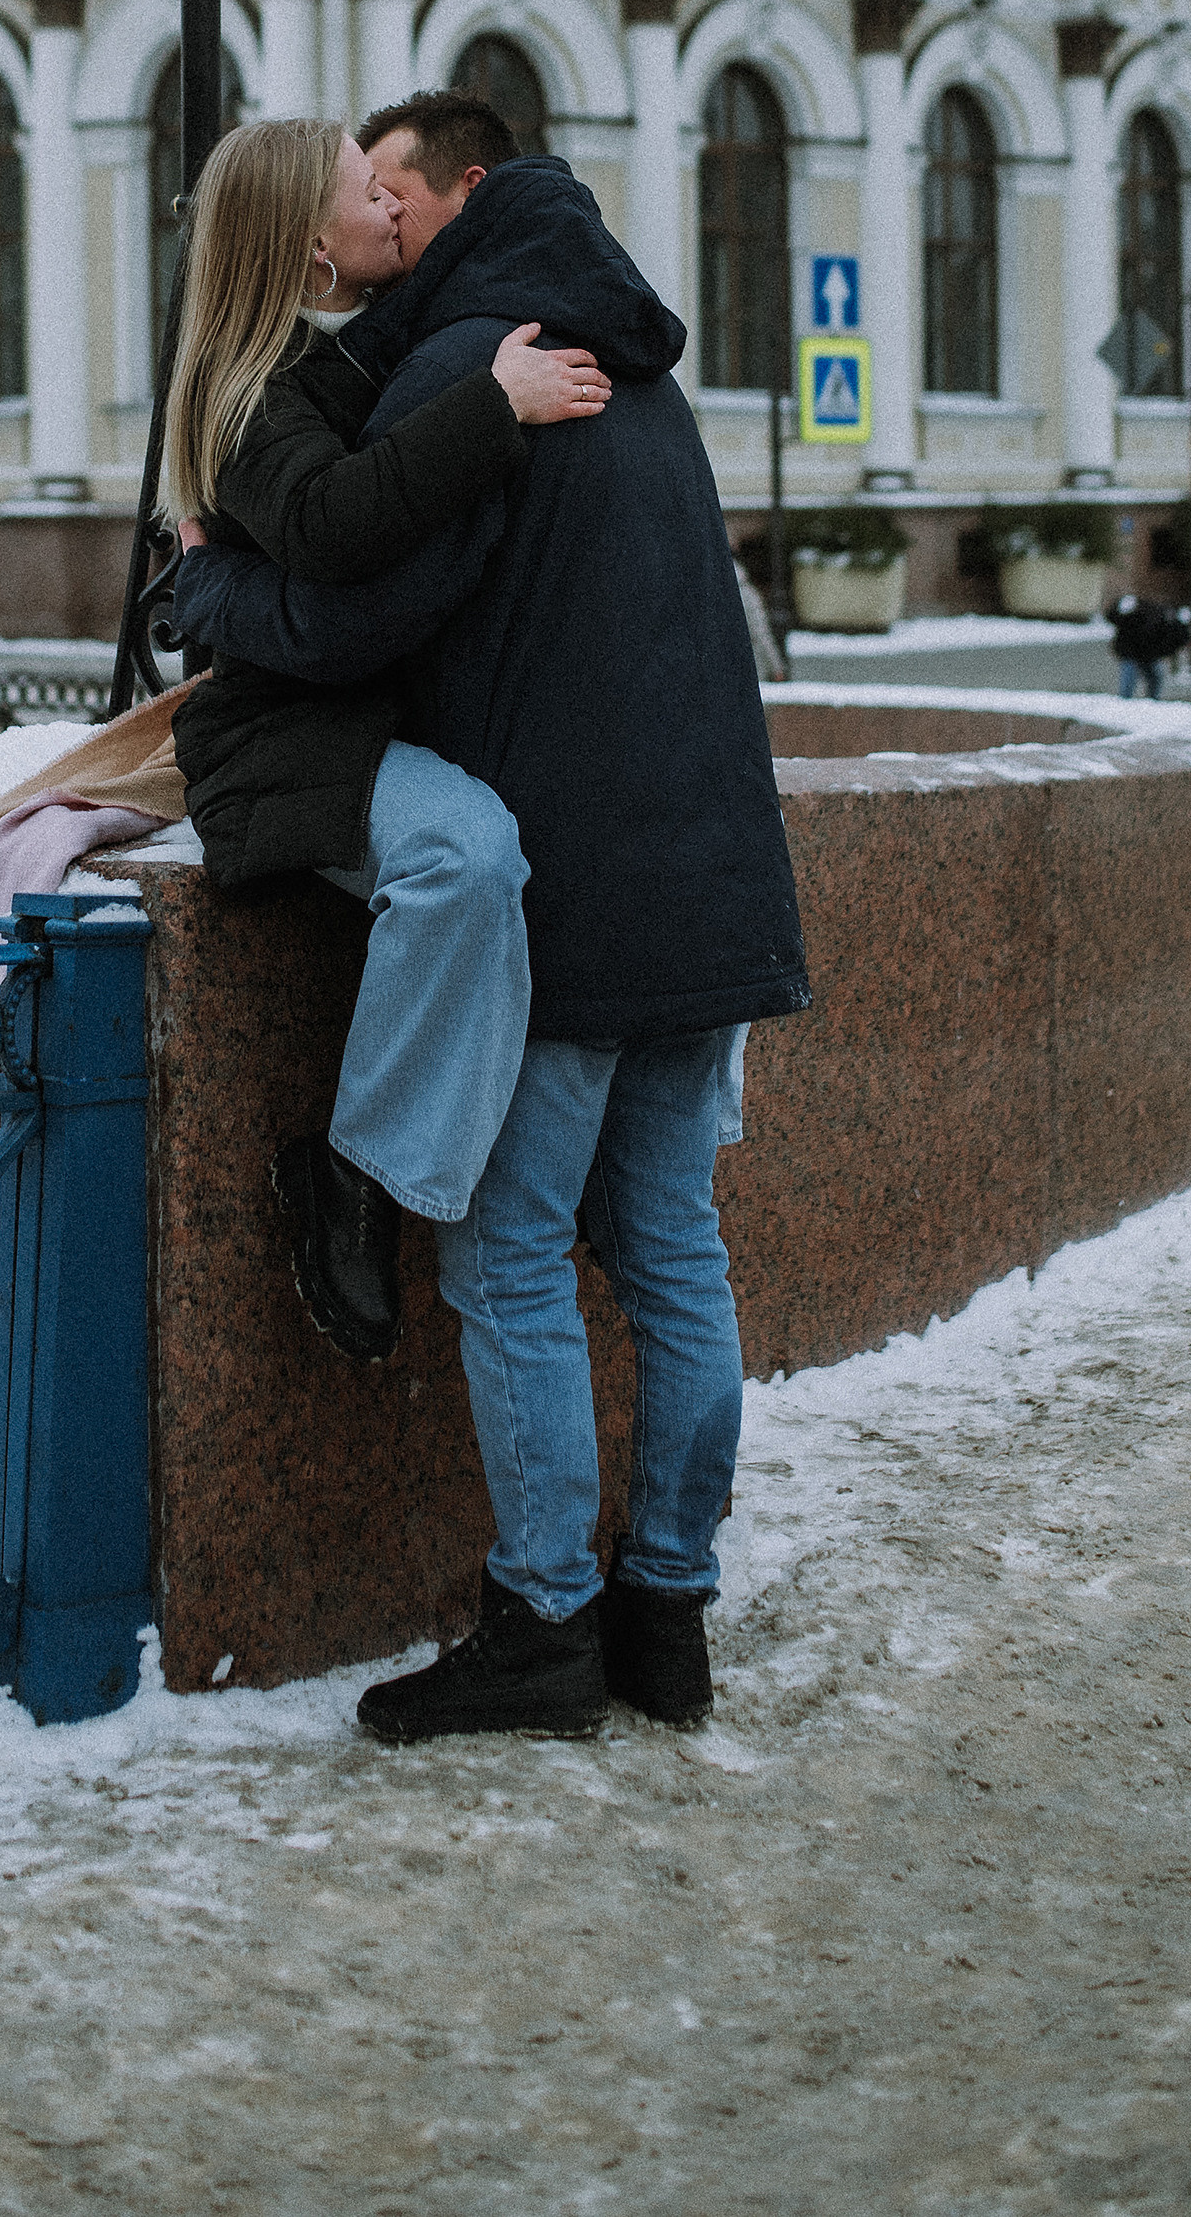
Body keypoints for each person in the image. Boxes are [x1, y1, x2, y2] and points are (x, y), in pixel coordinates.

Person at [176, 95, 808, 1746]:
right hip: (714, 860)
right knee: (671, 1243)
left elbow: (365, 597)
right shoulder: (631, 346)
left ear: (450, 201)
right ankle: (666, 1615)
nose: (367, 214)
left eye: (387, 186)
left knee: (513, 1246)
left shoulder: (476, 356)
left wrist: (211, 591)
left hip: (583, 871)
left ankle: (541, 1624)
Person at [164, 116, 612, 1364]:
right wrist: (496, 404)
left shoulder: (344, 350)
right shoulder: (234, 383)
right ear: (311, 236)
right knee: (466, 857)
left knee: (488, 857)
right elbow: (331, 522)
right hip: (282, 745)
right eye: (371, 189)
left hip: (351, 720)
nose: (394, 206)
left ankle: (400, 1171)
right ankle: (352, 1171)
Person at [1108, 587, 1191, 702]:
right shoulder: (1143, 610)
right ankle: (1127, 703)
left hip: (1148, 653)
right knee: (1132, 678)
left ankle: (1150, 703)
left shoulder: (1167, 618)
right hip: (1133, 652)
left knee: (1153, 678)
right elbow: (1113, 617)